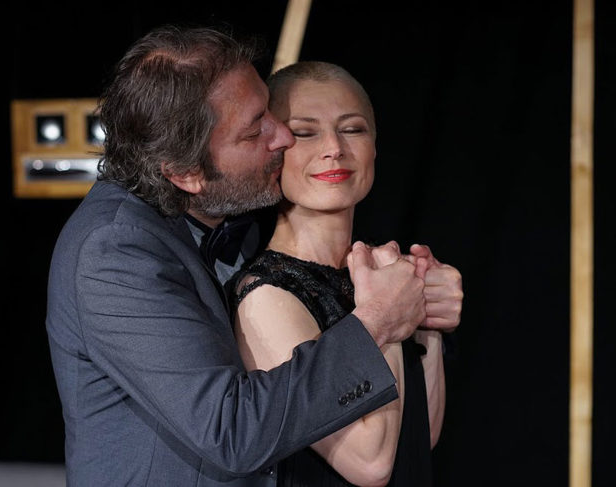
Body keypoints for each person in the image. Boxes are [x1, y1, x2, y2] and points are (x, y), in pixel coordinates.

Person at [46, 26, 453, 486]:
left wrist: (425, 312)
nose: (282, 137)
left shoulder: (233, 219)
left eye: (268, 110)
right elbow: (231, 430)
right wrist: (380, 320)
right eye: (256, 129)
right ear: (186, 173)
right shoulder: (114, 252)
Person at [231, 61, 462, 486]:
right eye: (305, 132)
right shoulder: (267, 295)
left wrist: (425, 320)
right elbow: (370, 463)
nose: (334, 148)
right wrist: (384, 313)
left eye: (352, 129)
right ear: (272, 148)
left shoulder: (381, 273)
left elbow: (419, 436)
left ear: (375, 145)